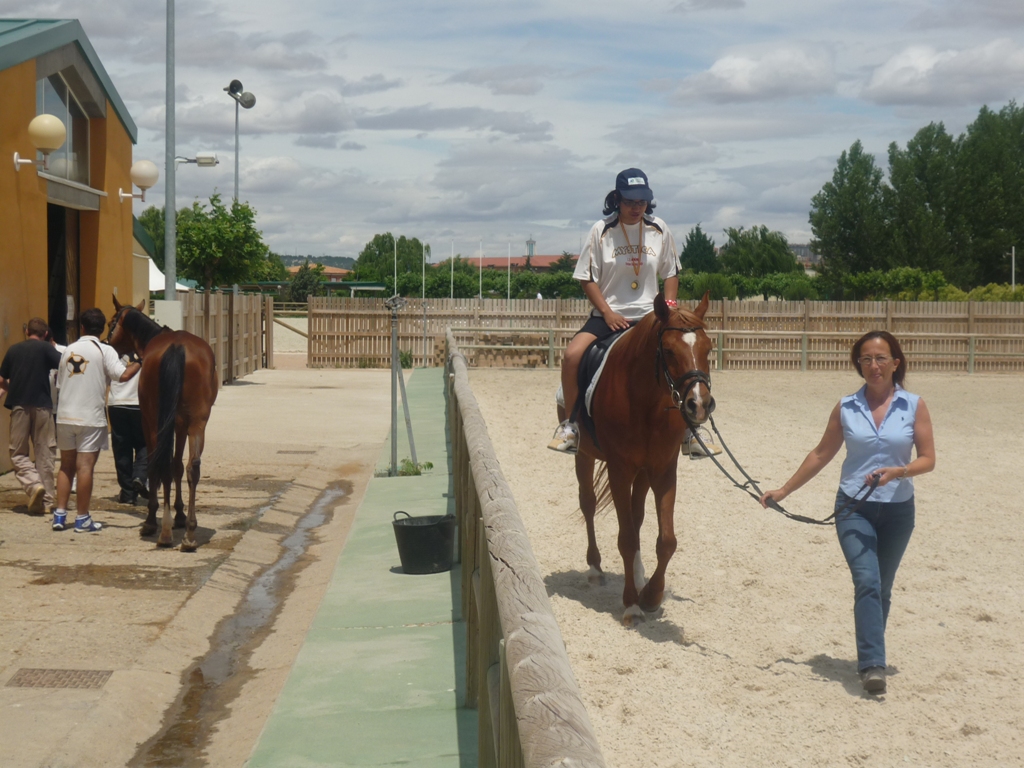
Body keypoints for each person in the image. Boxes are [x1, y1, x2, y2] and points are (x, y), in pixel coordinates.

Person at [759, 331, 935, 695]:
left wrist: (898, 471)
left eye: (881, 358)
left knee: (882, 588)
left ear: (895, 363)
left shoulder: (914, 405)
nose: (874, 365)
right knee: (867, 581)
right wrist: (784, 490)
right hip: (854, 507)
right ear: (858, 364)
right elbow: (821, 454)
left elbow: (928, 459)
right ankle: (872, 665)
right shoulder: (846, 407)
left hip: (899, 510)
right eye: (866, 359)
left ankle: (873, 648)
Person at [548, 167, 719, 456]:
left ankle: (692, 431)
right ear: (617, 199)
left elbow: (671, 273)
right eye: (630, 202)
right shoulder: (601, 231)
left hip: (652, 318)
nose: (636, 208)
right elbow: (586, 278)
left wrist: (671, 305)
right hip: (610, 317)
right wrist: (607, 312)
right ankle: (571, 425)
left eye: (641, 202)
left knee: (687, 358)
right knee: (572, 355)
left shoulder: (659, 229)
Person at [52, 308, 141, 533]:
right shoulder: (105, 350)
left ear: (81, 327)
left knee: (66, 466)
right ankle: (82, 518)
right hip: (90, 417)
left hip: (65, 416)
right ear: (102, 329)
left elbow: (60, 383)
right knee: (85, 468)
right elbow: (123, 375)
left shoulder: (68, 350)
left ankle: (60, 515)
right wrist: (141, 359)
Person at [0, 318, 62, 514]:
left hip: (19, 406)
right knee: (45, 451)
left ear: (27, 332)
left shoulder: (14, 350)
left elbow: (2, 379)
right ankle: (47, 500)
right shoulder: (46, 348)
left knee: (18, 453)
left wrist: (13, 389)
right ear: (45, 334)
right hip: (43, 406)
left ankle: (34, 486)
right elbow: (65, 367)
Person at [107, 349, 148, 505]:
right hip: (139, 403)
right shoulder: (148, 352)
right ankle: (139, 476)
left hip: (117, 403)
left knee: (121, 448)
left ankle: (127, 493)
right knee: (145, 444)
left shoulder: (111, 352)